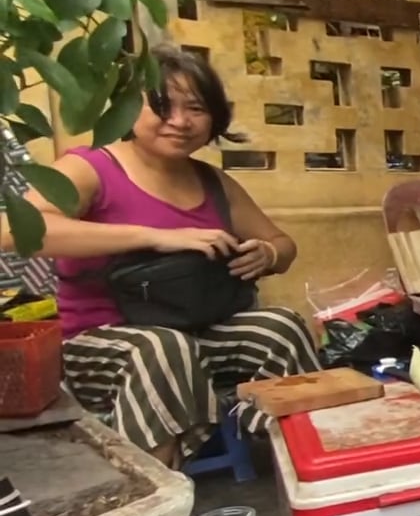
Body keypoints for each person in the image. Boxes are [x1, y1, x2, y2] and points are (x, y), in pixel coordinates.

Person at [11, 47, 322, 465]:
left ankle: (306, 463)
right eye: (161, 105)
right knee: (161, 348)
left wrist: (267, 253)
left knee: (279, 326)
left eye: (196, 108)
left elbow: (284, 245)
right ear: (126, 109)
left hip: (199, 332)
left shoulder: (213, 182)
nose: (180, 121)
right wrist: (155, 237)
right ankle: (159, 492)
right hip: (100, 343)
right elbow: (16, 230)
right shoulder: (90, 167)